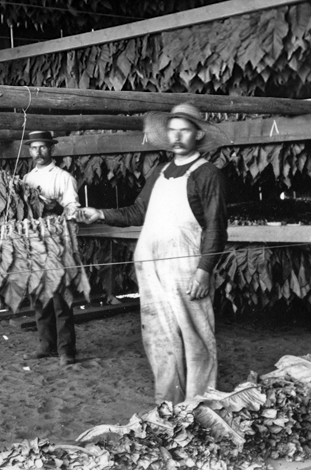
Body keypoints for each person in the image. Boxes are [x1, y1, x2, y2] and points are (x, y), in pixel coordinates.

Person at [79, 103, 228, 404]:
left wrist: (205, 269)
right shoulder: (159, 172)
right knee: (160, 338)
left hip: (186, 266)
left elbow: (215, 227)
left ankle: (200, 404)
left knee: (195, 337)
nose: (176, 137)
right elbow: (138, 212)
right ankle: (168, 404)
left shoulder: (207, 174)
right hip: (151, 267)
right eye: (172, 131)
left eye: (184, 130)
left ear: (198, 134)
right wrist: (98, 213)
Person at [22, 130, 80, 367]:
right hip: (35, 243)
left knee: (60, 299)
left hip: (58, 242)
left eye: (43, 147)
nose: (38, 152)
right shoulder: (26, 179)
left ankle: (66, 350)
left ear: (51, 149)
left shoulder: (63, 177)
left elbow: (72, 210)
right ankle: (46, 345)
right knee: (40, 297)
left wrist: (56, 209)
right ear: (30, 151)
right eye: (34, 148)